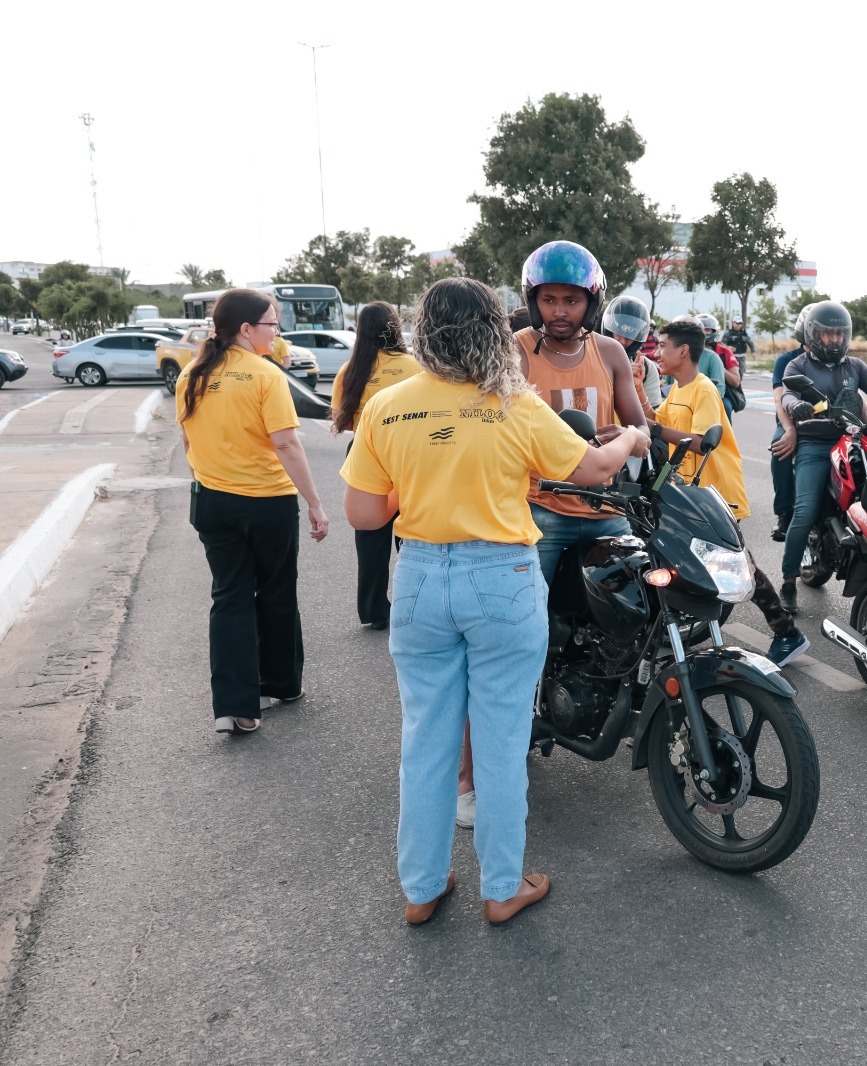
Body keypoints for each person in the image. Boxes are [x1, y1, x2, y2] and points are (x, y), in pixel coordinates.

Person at [341, 277, 648, 926]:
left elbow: (365, 514)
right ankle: (502, 889)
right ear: (492, 331)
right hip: (501, 578)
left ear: (425, 330)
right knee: (503, 743)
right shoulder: (517, 404)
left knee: (425, 740)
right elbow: (593, 471)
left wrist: (422, 484)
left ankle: (422, 890)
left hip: (421, 578)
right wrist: (630, 440)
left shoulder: (388, 407)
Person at [175, 289, 330, 736]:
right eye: (272, 324)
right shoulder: (265, 375)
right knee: (277, 591)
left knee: (230, 597)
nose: (276, 332)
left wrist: (213, 478)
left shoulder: (192, 375)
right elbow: (285, 443)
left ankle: (235, 707)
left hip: (212, 502)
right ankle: (280, 683)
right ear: (246, 329)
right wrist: (315, 504)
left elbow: (188, 443)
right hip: (267, 503)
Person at [652, 318, 810, 667]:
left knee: (742, 568)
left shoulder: (703, 389)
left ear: (683, 350)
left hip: (718, 492)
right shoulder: (677, 388)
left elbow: (700, 442)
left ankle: (787, 634)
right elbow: (655, 420)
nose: (657, 351)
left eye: (662, 345)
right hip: (693, 492)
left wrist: (654, 427)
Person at [514, 240, 649, 585]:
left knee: (639, 598)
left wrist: (631, 437)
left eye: (571, 301)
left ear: (592, 302)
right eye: (549, 300)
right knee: (527, 616)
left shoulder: (610, 353)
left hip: (602, 507)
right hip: (539, 506)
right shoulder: (515, 352)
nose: (560, 311)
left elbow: (640, 429)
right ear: (534, 301)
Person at [776, 300, 867, 614]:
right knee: (804, 511)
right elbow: (789, 393)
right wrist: (796, 407)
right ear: (812, 334)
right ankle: (788, 583)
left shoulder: (855, 367)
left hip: (854, 439)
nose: (834, 340)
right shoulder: (799, 366)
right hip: (815, 445)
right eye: (827, 334)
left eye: (839, 334)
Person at [330, 302, 421, 630]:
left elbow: (341, 417)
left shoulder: (350, 370)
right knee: (413, 533)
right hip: (412, 455)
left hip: (365, 454)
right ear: (395, 327)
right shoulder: (416, 366)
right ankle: (415, 606)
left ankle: (372, 610)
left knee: (369, 534)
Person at [768, 304, 814, 542]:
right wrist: (789, 431)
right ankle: (785, 515)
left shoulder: (840, 360)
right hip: (792, 421)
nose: (826, 336)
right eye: (818, 330)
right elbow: (779, 398)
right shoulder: (787, 360)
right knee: (780, 449)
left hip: (830, 422)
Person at [601, 294, 663, 410]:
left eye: (630, 335)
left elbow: (654, 416)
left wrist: (637, 387)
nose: (623, 340)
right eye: (619, 332)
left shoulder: (646, 368)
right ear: (609, 328)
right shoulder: (587, 358)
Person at [698, 313, 742, 416]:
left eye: (707, 330)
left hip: (720, 393)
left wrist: (719, 366)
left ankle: (725, 432)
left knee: (725, 407)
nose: (704, 333)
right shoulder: (687, 350)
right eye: (701, 329)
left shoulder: (724, 352)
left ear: (714, 331)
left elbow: (736, 381)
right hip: (694, 391)